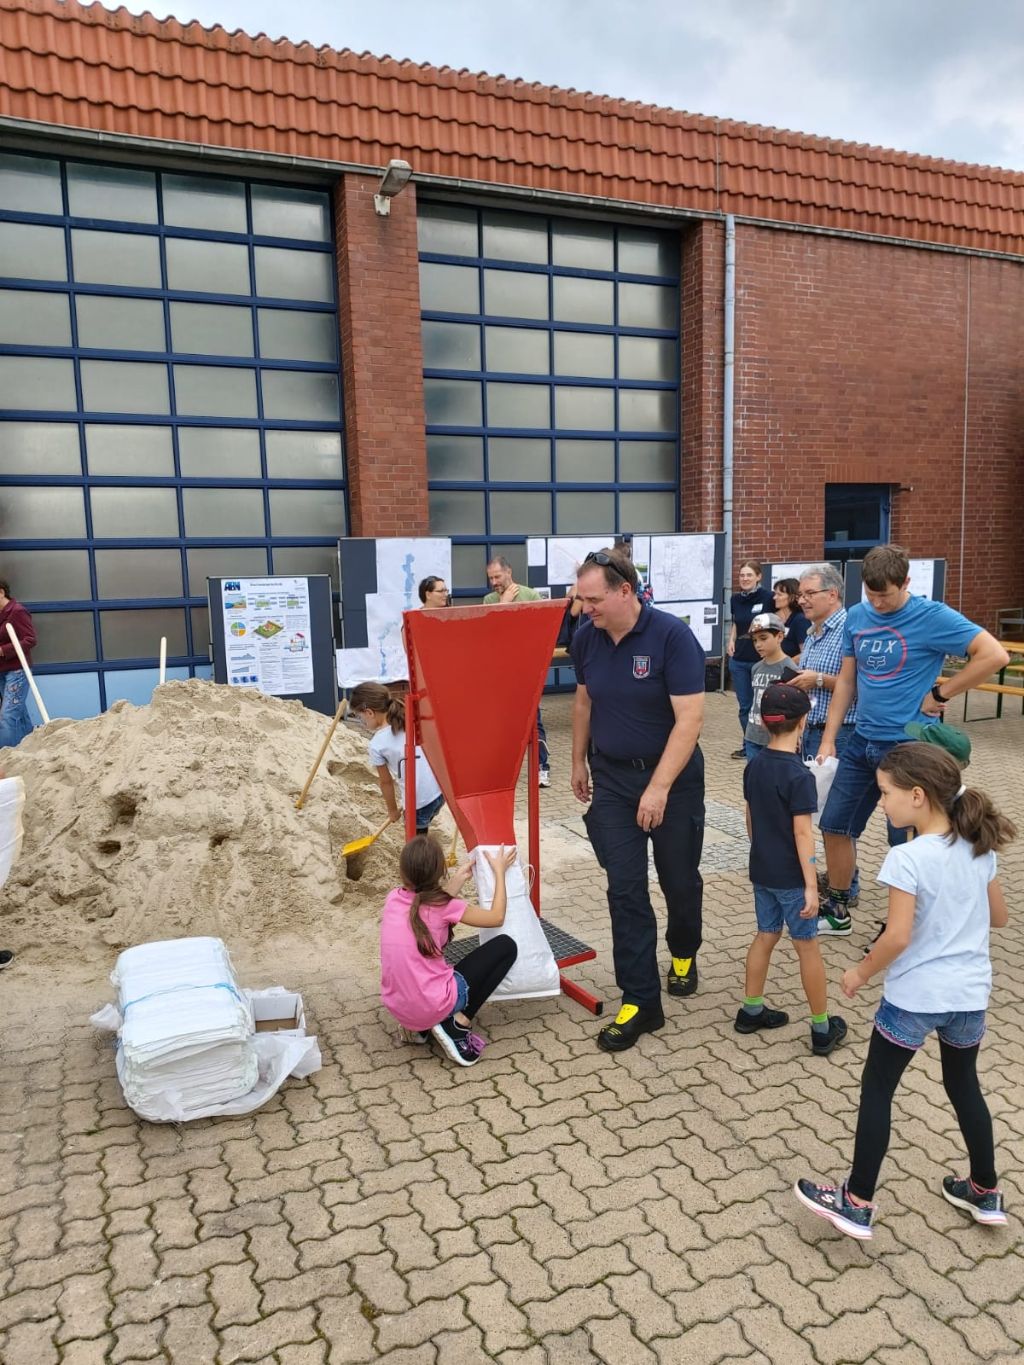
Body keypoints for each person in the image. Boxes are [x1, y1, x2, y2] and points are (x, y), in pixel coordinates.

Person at [794, 742, 1014, 1240]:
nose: (882, 803)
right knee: (964, 1086)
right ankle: (984, 1190)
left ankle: (856, 1201)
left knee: (878, 1089)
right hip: (969, 996)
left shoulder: (906, 857)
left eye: (886, 793)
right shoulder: (978, 847)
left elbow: (896, 937)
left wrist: (859, 973)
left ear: (918, 796)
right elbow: (998, 917)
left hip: (915, 998)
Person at [815, 544, 1008, 938]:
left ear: (905, 582)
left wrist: (941, 693)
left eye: (885, 595)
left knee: (905, 839)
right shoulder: (857, 616)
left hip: (908, 748)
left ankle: (909, 923)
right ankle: (837, 908)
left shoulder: (931, 616)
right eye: (871, 594)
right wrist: (829, 738)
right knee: (834, 824)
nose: (878, 603)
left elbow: (994, 655)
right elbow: (847, 681)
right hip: (862, 741)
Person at [570, 548, 705, 1052]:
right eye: (581, 600)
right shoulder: (586, 638)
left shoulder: (672, 637)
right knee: (625, 890)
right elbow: (584, 701)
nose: (585, 609)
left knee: (678, 880)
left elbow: (690, 720)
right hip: (612, 780)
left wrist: (659, 787)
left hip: (674, 780)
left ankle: (684, 950)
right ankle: (641, 1000)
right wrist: (577, 760)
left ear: (625, 591)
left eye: (593, 600)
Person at [738, 682, 847, 1055]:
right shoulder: (799, 776)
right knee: (807, 946)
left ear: (765, 722)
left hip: (762, 869)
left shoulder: (754, 765)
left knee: (765, 935)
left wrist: (760, 850)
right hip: (791, 877)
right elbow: (803, 834)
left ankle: (751, 1010)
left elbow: (750, 816)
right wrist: (812, 887)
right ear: (802, 723)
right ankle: (821, 1028)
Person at [380, 835, 518, 1067]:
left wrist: (455, 883)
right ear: (439, 871)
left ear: (403, 872)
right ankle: (457, 1023)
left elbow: (424, 906)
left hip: (399, 1007)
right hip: (431, 1004)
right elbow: (496, 917)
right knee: (505, 946)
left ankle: (419, 1029)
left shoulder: (393, 899)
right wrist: (499, 872)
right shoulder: (446, 906)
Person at [789, 564, 861, 907]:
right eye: (799, 595)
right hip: (814, 731)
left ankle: (847, 887)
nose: (801, 600)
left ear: (832, 594)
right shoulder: (813, 631)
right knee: (822, 811)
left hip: (842, 733)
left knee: (837, 815)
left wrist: (817, 679)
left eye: (809, 594)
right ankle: (838, 875)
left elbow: (857, 684)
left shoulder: (849, 629)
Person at [484, 556, 551, 788]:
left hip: (527, 669)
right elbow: (489, 632)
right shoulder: (490, 600)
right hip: (501, 671)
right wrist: (503, 604)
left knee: (533, 720)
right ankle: (502, 771)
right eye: (490, 578)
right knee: (503, 723)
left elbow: (537, 630)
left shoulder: (530, 595)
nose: (494, 582)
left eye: (497, 576)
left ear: (509, 572)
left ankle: (542, 767)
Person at [350, 682, 445, 835]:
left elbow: (386, 782)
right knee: (424, 824)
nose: (363, 723)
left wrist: (392, 810)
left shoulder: (377, 744)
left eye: (360, 718)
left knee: (415, 842)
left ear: (369, 712)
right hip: (439, 792)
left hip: (418, 802)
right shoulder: (410, 719)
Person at [727, 561, 774, 760]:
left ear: (758, 577)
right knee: (745, 708)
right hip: (739, 660)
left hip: (760, 660)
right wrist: (730, 640)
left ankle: (767, 745)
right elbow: (737, 623)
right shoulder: (735, 599)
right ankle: (749, 745)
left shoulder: (768, 598)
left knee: (762, 705)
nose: (744, 579)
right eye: (742, 575)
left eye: (749, 575)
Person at [744, 612, 800, 761]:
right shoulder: (756, 668)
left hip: (777, 740)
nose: (758, 644)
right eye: (755, 640)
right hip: (752, 736)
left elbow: (794, 707)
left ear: (779, 637)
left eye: (763, 638)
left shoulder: (789, 669)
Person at [0, 580, 37, 750]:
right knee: (19, 713)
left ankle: (5, 755)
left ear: (1, 592)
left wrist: (3, 650)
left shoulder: (17, 611)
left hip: (17, 670)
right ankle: (30, 746)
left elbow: (30, 639)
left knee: (8, 715)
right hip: (2, 671)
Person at [772, 578, 810, 659]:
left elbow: (806, 653)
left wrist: (785, 664)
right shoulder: (777, 619)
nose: (774, 597)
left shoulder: (800, 620)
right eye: (775, 594)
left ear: (792, 597)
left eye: (779, 595)